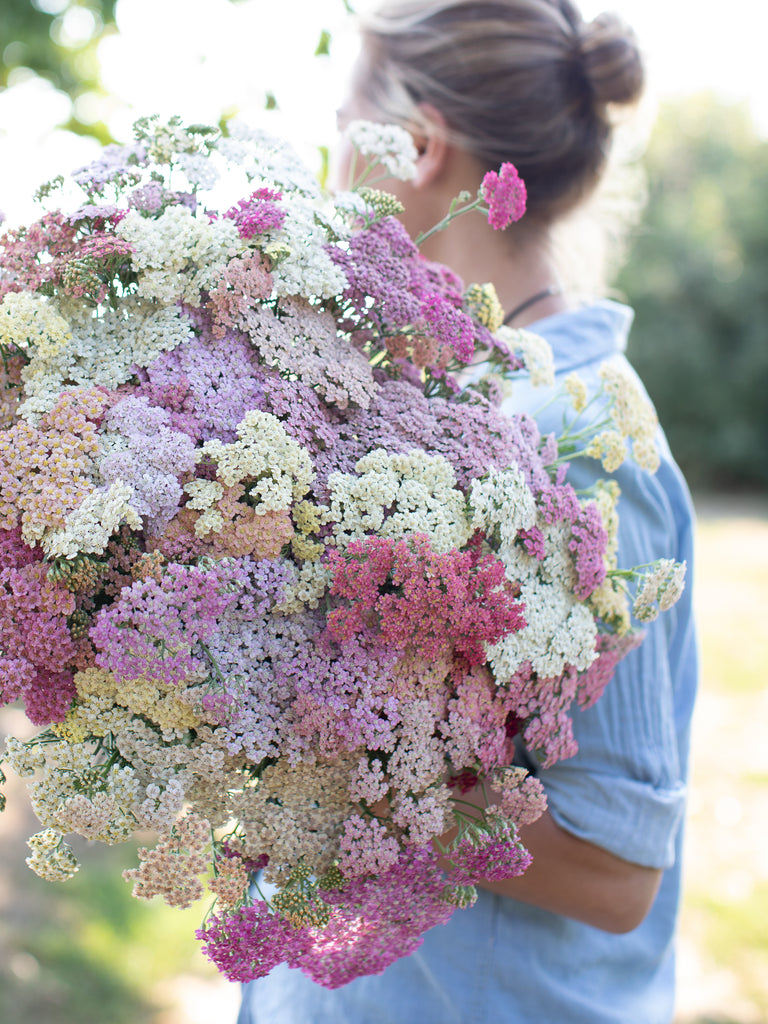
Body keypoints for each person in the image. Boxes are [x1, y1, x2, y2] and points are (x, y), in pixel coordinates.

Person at [237, 1, 699, 1021]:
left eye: (342, 122)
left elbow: (614, 876)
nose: (329, 164)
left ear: (414, 143)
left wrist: (319, 753)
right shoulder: (412, 397)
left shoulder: (581, 435)